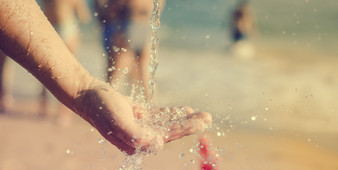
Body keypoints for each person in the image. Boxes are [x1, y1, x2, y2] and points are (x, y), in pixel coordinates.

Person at [0, 0, 211, 155]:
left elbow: (97, 12)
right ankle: (144, 107)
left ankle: (48, 111)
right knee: (139, 76)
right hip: (141, 28)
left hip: (122, 28)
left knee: (118, 77)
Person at [94, 0, 165, 102]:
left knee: (117, 77)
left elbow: (108, 10)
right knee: (144, 77)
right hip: (141, 27)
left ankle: (107, 105)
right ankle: (147, 110)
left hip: (133, 26)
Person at [40, 0, 91, 125]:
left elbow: (84, 15)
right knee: (53, 71)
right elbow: (85, 17)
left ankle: (57, 111)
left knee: (50, 70)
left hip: (57, 28)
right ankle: (52, 110)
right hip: (63, 28)